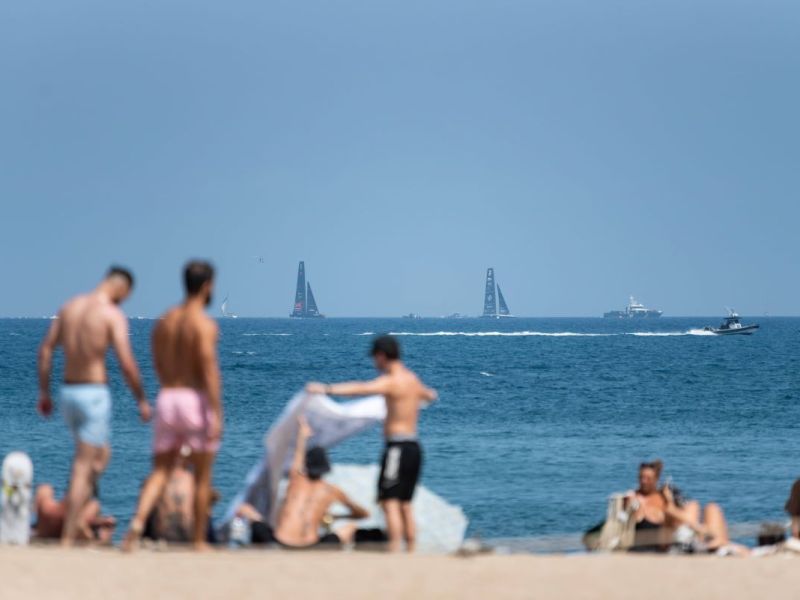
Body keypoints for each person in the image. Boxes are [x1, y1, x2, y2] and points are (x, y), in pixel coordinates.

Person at [36, 266, 149, 546]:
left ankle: (78, 522)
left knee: (99, 456)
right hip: (93, 393)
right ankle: (69, 534)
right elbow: (126, 362)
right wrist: (141, 399)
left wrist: (44, 393)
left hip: (67, 393)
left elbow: (46, 350)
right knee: (84, 466)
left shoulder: (70, 307)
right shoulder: (111, 314)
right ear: (121, 288)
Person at [123, 260, 222, 552]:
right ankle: (199, 540)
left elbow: (155, 360)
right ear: (207, 286)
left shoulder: (165, 320)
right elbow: (209, 369)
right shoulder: (203, 324)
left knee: (161, 471)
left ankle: (138, 522)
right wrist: (216, 412)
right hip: (193, 399)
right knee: (202, 474)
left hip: (167, 397)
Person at [306, 335, 437, 552]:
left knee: (390, 501)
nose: (375, 364)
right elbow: (429, 395)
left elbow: (361, 388)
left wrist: (326, 389)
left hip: (397, 448)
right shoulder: (412, 379)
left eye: (375, 359)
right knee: (405, 503)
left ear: (382, 356)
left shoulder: (392, 380)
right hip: (414, 447)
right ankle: (412, 551)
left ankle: (394, 549)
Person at [272, 415, 369, 549]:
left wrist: (302, 435)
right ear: (326, 468)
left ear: (307, 466)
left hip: (282, 542)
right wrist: (337, 517)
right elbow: (364, 514)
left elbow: (297, 459)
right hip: (311, 546)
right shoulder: (331, 490)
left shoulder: (296, 480)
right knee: (350, 527)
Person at [626, 460, 745, 554]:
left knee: (711, 508)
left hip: (689, 537)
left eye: (648, 478)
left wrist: (669, 503)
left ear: (656, 479)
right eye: (641, 477)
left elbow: (687, 523)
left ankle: (721, 543)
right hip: (676, 544)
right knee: (724, 542)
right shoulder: (633, 498)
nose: (644, 481)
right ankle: (721, 544)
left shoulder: (665, 502)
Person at [33, 484, 116, 544]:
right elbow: (83, 521)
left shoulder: (48, 509)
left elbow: (42, 493)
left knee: (45, 490)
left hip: (47, 532)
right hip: (75, 531)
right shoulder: (92, 507)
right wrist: (100, 523)